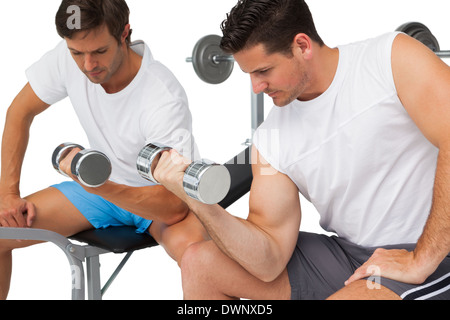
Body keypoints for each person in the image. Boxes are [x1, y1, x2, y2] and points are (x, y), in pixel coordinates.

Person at [153, 0, 450, 300]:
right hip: (351, 258)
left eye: (264, 70)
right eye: (250, 75)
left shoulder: (390, 59)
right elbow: (267, 259)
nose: (256, 87)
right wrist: (200, 203)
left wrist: (421, 259)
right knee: (200, 264)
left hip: (434, 252)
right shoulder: (271, 138)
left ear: (302, 46)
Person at [0, 0, 207, 300]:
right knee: (3, 230)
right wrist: (8, 195)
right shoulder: (69, 56)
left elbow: (174, 205)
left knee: (199, 258)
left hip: (160, 199)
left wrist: (102, 186)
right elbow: (19, 112)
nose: (88, 65)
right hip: (99, 191)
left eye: (99, 52)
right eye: (76, 53)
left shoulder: (162, 96)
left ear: (125, 34)